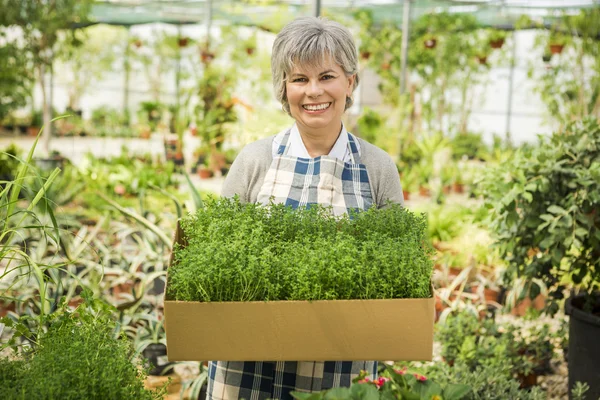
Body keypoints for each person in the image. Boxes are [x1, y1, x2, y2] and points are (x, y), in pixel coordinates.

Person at [208, 16, 404, 400]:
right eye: (299, 79)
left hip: (340, 370)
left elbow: (399, 275)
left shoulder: (378, 168)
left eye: (327, 76)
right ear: (284, 89)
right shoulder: (254, 160)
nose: (314, 91)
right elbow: (215, 255)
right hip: (248, 364)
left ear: (350, 82)